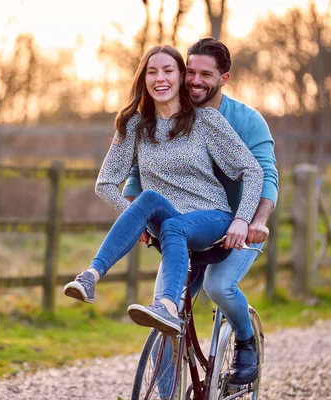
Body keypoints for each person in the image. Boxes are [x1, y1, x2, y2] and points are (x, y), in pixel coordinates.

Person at [63, 44, 263, 341]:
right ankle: (91, 276)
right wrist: (136, 218)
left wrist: (242, 219)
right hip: (169, 222)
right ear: (143, 79)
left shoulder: (205, 120)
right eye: (152, 72)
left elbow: (253, 170)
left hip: (212, 221)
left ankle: (167, 306)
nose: (160, 78)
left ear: (181, 77)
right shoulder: (135, 126)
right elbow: (104, 183)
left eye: (168, 71)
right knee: (148, 200)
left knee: (173, 225)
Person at [123, 37, 279, 385]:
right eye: (189, 71)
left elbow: (266, 174)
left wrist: (256, 222)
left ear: (224, 78)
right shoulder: (170, 113)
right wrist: (137, 212)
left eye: (205, 74)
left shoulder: (247, 120)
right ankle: (166, 393)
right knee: (164, 309)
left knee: (219, 285)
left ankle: (244, 340)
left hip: (238, 228)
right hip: (185, 227)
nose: (195, 80)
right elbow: (137, 168)